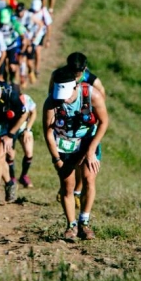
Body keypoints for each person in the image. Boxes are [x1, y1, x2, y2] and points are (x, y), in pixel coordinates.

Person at [43, 68, 108, 241]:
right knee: (68, 186)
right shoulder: (51, 102)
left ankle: (84, 222)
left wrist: (91, 150)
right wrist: (56, 159)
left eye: (66, 94)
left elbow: (104, 122)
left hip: (88, 141)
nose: (63, 99)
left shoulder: (92, 96)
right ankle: (71, 225)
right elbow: (48, 133)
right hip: (65, 145)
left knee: (88, 179)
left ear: (75, 87)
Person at [49, 52, 106, 208]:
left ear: (85, 69)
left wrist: (88, 115)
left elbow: (101, 100)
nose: (76, 75)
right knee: (69, 165)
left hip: (84, 126)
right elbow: (52, 98)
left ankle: (77, 191)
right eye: (73, 71)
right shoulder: (59, 76)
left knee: (84, 166)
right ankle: (68, 189)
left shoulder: (93, 81)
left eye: (79, 72)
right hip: (65, 129)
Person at [10, 92, 37, 188]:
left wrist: (28, 129)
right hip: (11, 129)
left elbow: (33, 113)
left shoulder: (26, 98)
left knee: (29, 152)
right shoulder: (8, 100)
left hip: (23, 128)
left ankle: (23, 175)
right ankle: (11, 178)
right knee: (10, 155)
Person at [0, 7, 27, 84]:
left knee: (12, 66)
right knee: (2, 67)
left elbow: (22, 33)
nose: (4, 23)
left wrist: (22, 48)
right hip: (2, 47)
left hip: (12, 46)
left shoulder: (13, 22)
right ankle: (5, 80)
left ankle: (12, 78)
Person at [26, 0, 53, 82]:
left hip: (40, 34)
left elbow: (49, 26)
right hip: (31, 35)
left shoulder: (44, 12)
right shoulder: (30, 11)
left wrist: (48, 39)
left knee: (38, 52)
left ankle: (36, 69)